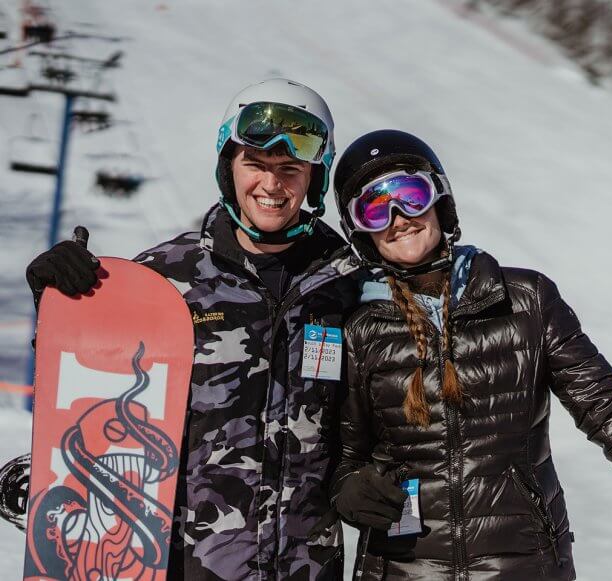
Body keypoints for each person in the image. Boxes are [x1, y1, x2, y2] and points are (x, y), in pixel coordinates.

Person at [329, 129, 612, 580]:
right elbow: (345, 457)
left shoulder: (525, 300)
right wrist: (349, 490)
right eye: (374, 208)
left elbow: (607, 411)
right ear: (360, 231)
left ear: (439, 199)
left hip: (523, 566)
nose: (398, 217)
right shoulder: (359, 330)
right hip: (403, 570)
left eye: (410, 194)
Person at [19, 78, 361, 580]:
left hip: (306, 569)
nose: (273, 184)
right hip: (183, 565)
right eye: (256, 164)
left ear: (316, 177)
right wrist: (65, 305)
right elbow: (87, 395)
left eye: (291, 169)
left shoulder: (350, 285)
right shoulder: (164, 278)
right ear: (228, 166)